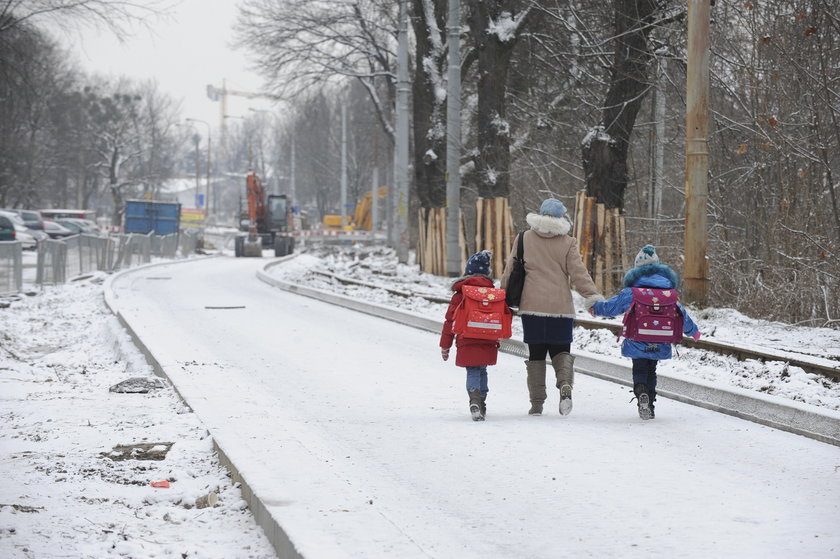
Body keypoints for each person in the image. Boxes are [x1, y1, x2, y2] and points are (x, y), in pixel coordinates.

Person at [500, 198, 604, 416]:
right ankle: (565, 385)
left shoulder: (523, 238)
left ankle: (537, 403)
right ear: (560, 217)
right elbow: (579, 274)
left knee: (536, 355)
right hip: (560, 308)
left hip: (532, 307)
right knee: (561, 351)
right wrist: (592, 296)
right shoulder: (567, 242)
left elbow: (510, 270)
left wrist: (502, 296)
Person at [588, 244, 701, 420]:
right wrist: (693, 332)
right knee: (652, 370)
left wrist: (596, 308)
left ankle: (641, 391)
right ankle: (650, 404)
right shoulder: (668, 293)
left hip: (637, 337)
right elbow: (682, 314)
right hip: (661, 338)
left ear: (637, 269)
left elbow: (612, 307)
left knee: (639, 367)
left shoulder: (632, 292)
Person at [440, 250, 499, 421]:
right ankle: (482, 402)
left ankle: (474, 400)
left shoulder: (460, 295)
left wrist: (445, 345)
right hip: (488, 338)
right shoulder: (492, 294)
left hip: (466, 338)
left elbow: (449, 321)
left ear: (467, 272)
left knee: (472, 369)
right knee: (482, 369)